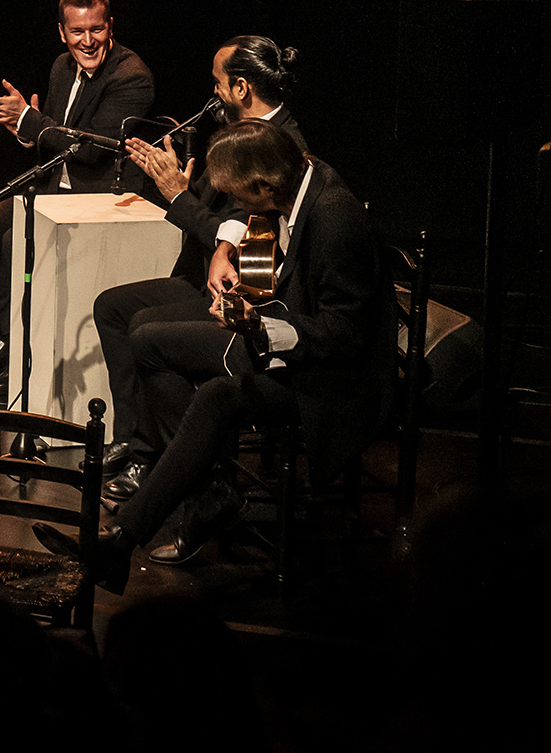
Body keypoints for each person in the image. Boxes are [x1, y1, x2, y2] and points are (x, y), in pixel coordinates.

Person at [38, 117, 386, 584]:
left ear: (264, 186)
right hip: (284, 339)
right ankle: (206, 495)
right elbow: (280, 265)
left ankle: (128, 537)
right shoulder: (296, 179)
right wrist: (249, 290)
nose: (236, 207)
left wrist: (260, 325)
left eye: (239, 196)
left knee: (216, 396)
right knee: (147, 339)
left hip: (327, 378)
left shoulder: (334, 218)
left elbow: (345, 334)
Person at [95, 35, 307, 500]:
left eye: (218, 83)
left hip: (247, 291)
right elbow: (226, 218)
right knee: (112, 307)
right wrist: (178, 187)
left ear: (241, 88)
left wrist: (180, 198)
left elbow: (254, 235)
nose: (213, 92)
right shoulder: (242, 133)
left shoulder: (278, 145)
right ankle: (134, 438)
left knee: (144, 326)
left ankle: (163, 458)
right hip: (208, 275)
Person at [0, 0, 156, 376]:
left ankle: (30, 359)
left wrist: (29, 120)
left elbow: (89, 149)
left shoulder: (131, 77)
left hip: (98, 196)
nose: (88, 41)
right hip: (55, 188)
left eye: (96, 29)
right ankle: (12, 338)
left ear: (110, 26)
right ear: (62, 32)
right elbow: (52, 133)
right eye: (77, 31)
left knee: (15, 242)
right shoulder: (61, 67)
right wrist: (26, 132)